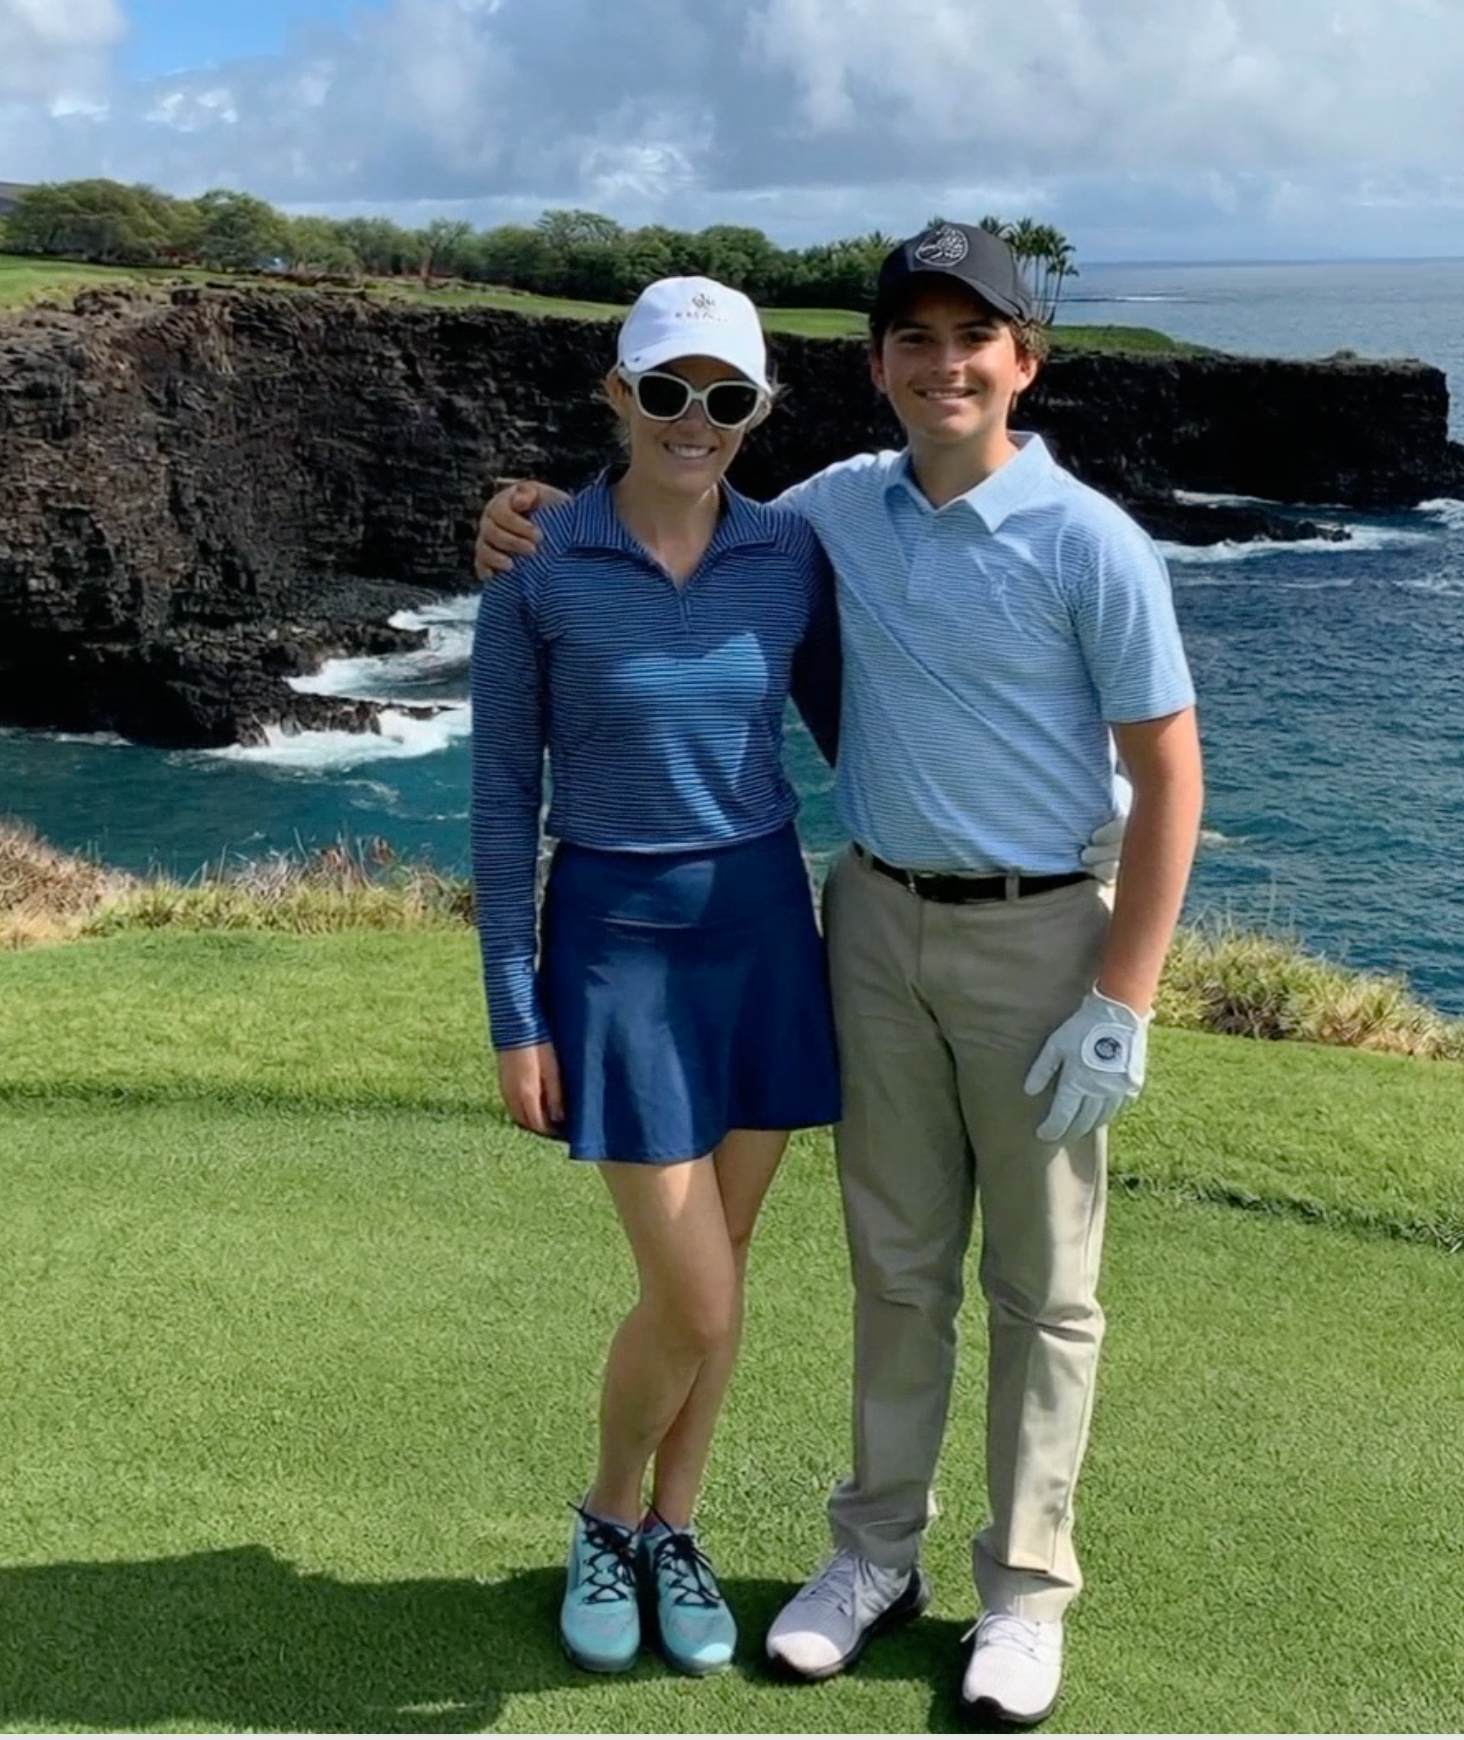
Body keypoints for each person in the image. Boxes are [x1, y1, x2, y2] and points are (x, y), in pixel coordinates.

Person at [474, 222, 1197, 1727]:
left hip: (978, 934)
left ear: (1024, 361)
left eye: (972, 340)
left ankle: (1006, 1592)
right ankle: (820, 1549)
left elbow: (1157, 771)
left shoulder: (1052, 542)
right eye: (915, 342)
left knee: (1038, 1290)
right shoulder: (818, 521)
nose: (945, 366)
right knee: (868, 1272)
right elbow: (652, 562)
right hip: (832, 929)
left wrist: (1123, 994)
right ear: (873, 368)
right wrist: (514, 515)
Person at [468, 275, 843, 1678]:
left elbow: (870, 725)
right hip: (614, 942)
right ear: (617, 393)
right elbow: (504, 802)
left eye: (728, 398)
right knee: (695, 1295)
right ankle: (607, 1515)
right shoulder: (536, 565)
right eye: (669, 391)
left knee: (726, 1271)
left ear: (758, 412)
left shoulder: (790, 555)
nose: (697, 422)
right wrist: (516, 1009)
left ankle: (675, 1529)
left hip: (760, 927)